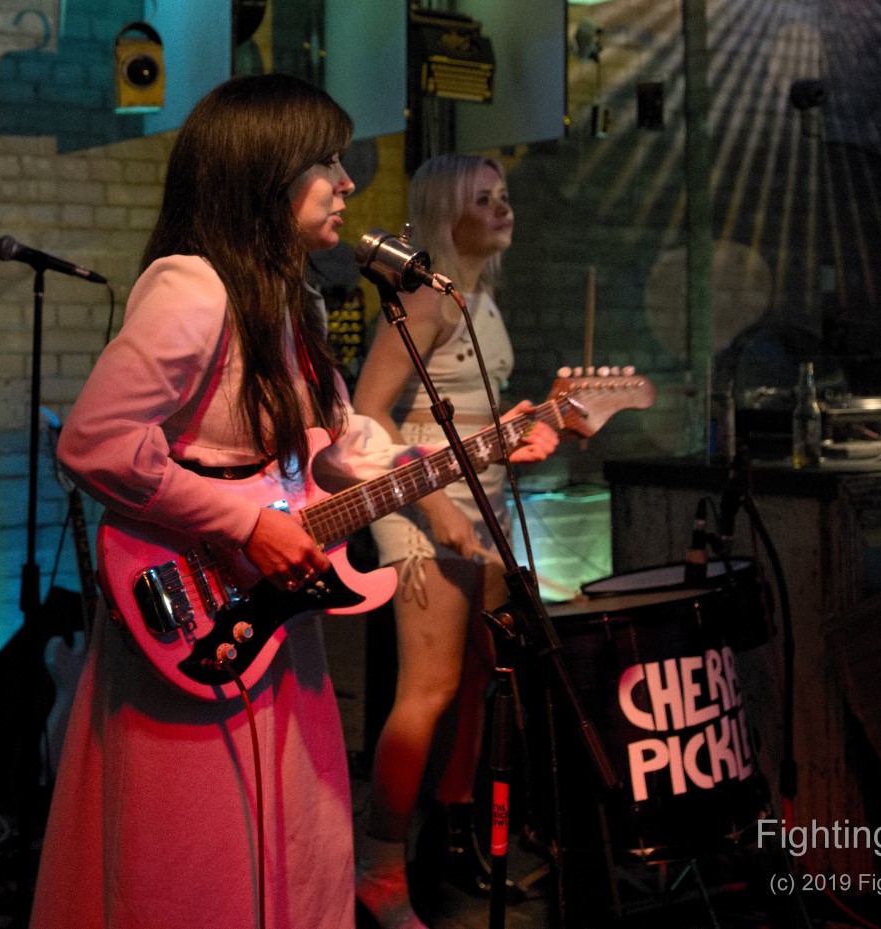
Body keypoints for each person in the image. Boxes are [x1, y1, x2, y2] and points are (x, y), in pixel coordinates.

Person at [30, 77, 555, 929]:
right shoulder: (193, 288)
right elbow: (94, 441)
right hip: (197, 609)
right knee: (197, 856)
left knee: (294, 847)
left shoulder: (288, 298)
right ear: (264, 172)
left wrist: (475, 447)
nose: (347, 183)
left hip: (274, 622)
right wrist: (245, 522)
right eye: (326, 163)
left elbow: (340, 449)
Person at [351, 153, 535, 926]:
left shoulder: (476, 296)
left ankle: (454, 839)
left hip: (476, 498)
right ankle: (379, 864)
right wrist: (433, 506)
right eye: (483, 199)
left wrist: (522, 429)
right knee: (426, 689)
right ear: (444, 213)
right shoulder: (424, 298)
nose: (502, 209)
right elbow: (366, 411)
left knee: (479, 677)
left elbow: (463, 411)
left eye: (503, 196)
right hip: (422, 501)